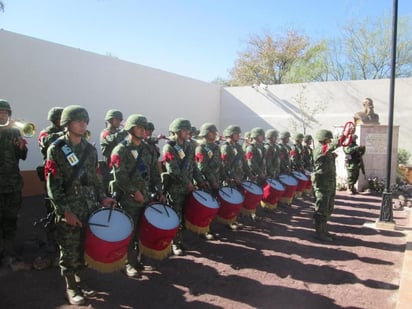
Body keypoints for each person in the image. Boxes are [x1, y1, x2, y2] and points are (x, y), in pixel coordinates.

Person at [46, 105, 116, 305]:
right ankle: (71, 286)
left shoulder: (90, 149)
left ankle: (82, 280)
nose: (83, 124)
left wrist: (103, 197)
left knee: (85, 245)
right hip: (69, 207)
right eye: (78, 121)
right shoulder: (57, 149)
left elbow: (96, 179)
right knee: (69, 248)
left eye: (85, 121)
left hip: (89, 207)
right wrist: (64, 211)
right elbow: (53, 185)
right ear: (67, 124)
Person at [110, 114, 163, 277]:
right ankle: (129, 263)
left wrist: (159, 190)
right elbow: (120, 175)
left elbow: (155, 171)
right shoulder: (121, 149)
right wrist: (134, 192)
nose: (143, 131)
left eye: (144, 128)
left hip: (146, 196)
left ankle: (138, 260)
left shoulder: (148, 148)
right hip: (129, 198)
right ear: (131, 129)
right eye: (139, 127)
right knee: (130, 231)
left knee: (143, 229)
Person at [162, 118, 204, 255]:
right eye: (185, 130)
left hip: (188, 188)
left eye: (188, 130)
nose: (187, 133)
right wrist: (187, 183)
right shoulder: (169, 147)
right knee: (176, 216)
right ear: (177, 131)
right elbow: (173, 170)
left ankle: (180, 241)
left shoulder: (189, 146)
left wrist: (200, 180)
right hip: (176, 189)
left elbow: (193, 166)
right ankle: (174, 244)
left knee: (185, 216)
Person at [33, 106, 64, 270]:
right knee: (52, 211)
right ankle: (52, 244)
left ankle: (64, 245)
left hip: (65, 177)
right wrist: (63, 134)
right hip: (51, 176)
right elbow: (45, 143)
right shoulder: (47, 133)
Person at [0, 99, 28, 270]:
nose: (2, 115)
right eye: (0, 112)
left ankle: (9, 252)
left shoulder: (15, 132)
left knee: (10, 219)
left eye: (5, 112)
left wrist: (21, 147)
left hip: (11, 184)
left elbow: (22, 156)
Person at [311, 129, 342, 242]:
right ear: (324, 139)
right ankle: (319, 233)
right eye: (329, 139)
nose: (330, 141)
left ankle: (324, 230)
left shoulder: (326, 151)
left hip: (329, 184)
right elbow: (333, 145)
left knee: (328, 208)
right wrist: (344, 136)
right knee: (321, 209)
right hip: (322, 185)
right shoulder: (320, 149)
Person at [195, 122, 223, 239]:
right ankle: (203, 231)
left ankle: (209, 228)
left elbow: (220, 165)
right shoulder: (201, 148)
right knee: (205, 208)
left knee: (213, 206)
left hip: (216, 181)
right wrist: (212, 181)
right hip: (206, 182)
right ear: (207, 134)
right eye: (213, 132)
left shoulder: (216, 147)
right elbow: (202, 167)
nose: (215, 134)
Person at [220, 125, 250, 230]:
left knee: (238, 200)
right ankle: (228, 221)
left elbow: (244, 162)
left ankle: (233, 219)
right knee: (231, 201)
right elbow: (225, 165)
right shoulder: (226, 147)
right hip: (230, 179)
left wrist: (248, 173)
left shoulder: (238, 146)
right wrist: (233, 177)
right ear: (230, 135)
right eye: (236, 134)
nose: (239, 136)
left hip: (238, 177)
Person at [99, 109, 127, 194]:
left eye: (120, 120)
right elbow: (112, 140)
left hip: (121, 165)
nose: (119, 122)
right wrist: (125, 130)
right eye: (117, 119)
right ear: (110, 120)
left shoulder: (119, 132)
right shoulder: (105, 133)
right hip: (110, 167)